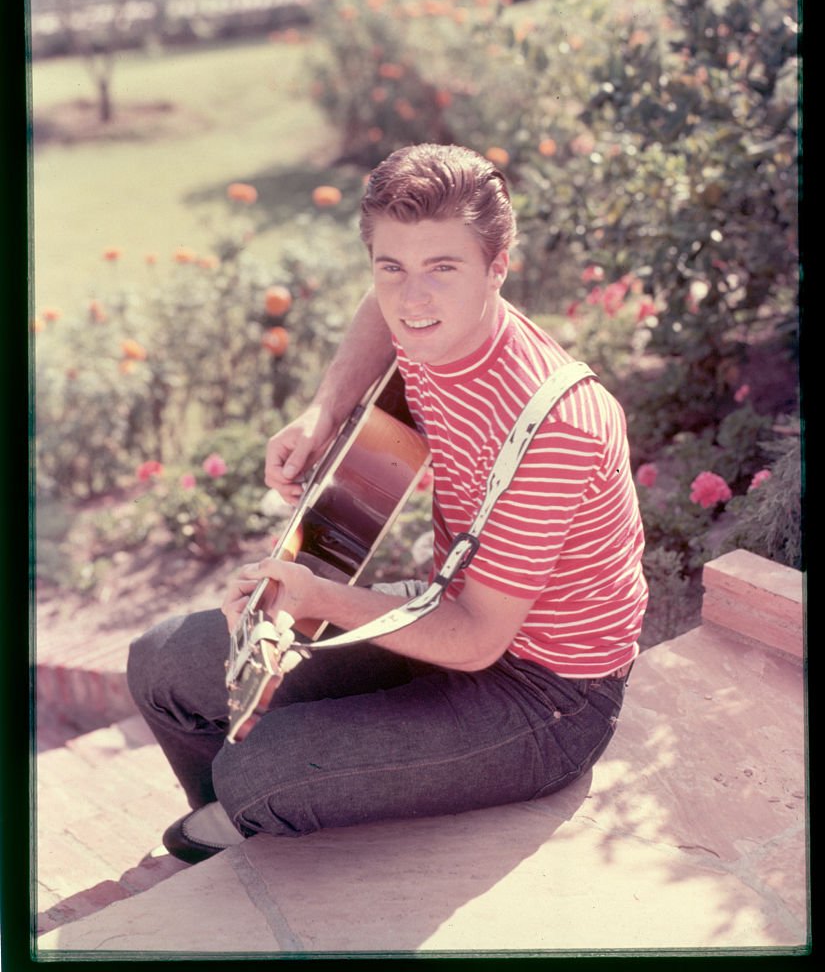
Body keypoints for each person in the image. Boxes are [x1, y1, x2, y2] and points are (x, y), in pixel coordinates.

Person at [127, 143, 648, 864]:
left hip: (543, 694)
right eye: (391, 267)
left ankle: (256, 801)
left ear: (498, 266)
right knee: (162, 663)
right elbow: (382, 314)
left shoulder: (558, 425)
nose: (412, 300)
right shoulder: (424, 319)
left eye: (443, 268)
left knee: (257, 771)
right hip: (445, 605)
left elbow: (474, 639)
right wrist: (324, 410)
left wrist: (320, 598)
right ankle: (255, 810)